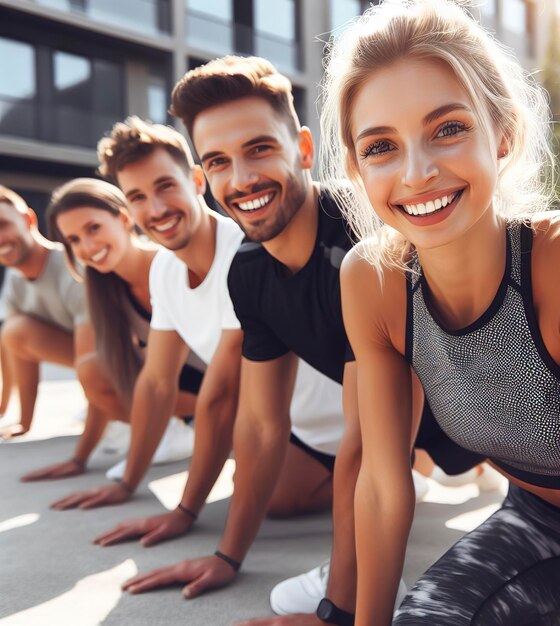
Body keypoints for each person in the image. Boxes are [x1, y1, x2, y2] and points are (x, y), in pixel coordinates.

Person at [122, 55, 487, 620]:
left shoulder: (365, 236)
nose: (240, 180)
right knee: (283, 478)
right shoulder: (247, 270)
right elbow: (263, 425)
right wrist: (227, 556)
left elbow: (363, 449)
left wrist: (335, 611)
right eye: (218, 161)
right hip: (423, 423)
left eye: (259, 149)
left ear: (305, 150)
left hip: (500, 407)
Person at [318, 1, 560, 624]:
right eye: (381, 146)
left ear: (503, 133)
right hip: (546, 525)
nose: (417, 172)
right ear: (355, 168)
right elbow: (381, 485)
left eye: (448, 129)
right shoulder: (373, 281)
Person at [52, 118, 345, 560]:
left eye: (166, 186)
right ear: (128, 210)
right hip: (287, 426)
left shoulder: (242, 253)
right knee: (259, 489)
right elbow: (155, 383)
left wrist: (186, 511)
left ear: (196, 180)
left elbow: (221, 394)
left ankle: (405, 462)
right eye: (138, 197)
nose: (157, 208)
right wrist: (129, 481)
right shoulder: (165, 270)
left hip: (338, 420)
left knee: (273, 498)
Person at [45, 177, 203, 478]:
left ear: (124, 217)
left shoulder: (171, 263)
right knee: (92, 367)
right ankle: (174, 429)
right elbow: (105, 381)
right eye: (74, 240)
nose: (87, 247)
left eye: (93, 228)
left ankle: (192, 424)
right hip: (181, 390)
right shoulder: (104, 290)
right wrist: (80, 458)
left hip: (233, 385)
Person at [0, 184, 125, 478]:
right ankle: (106, 406)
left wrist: (79, 459)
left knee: (89, 369)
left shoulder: (71, 268)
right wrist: (19, 419)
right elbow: (14, 350)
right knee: (13, 331)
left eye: (3, 224)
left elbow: (92, 363)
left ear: (29, 219)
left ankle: (125, 412)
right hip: (93, 358)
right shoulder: (16, 280)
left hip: (126, 359)